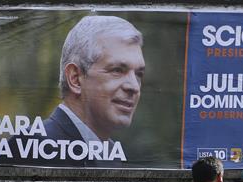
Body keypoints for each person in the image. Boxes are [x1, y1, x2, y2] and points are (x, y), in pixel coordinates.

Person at [8, 15, 144, 167]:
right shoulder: (33, 146)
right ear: (75, 78)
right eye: (117, 70)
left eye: (139, 74)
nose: (134, 86)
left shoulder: (112, 155)